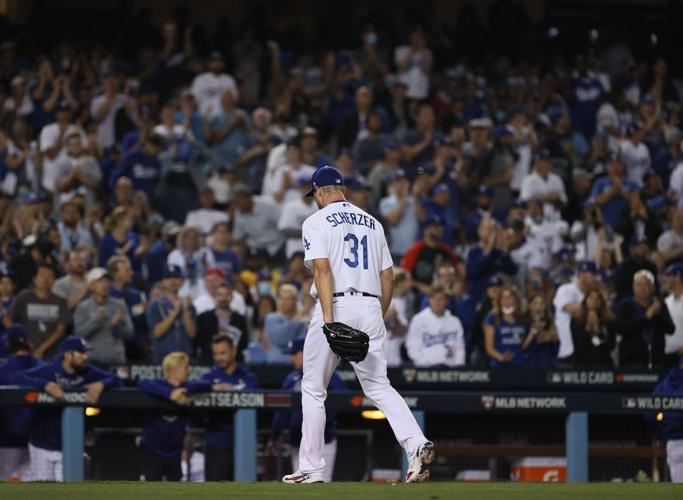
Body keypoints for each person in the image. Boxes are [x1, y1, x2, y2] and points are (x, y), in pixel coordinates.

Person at [283, 166, 433, 484]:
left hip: (334, 303)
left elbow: (322, 270)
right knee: (378, 385)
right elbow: (389, 276)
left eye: (316, 195)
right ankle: (417, 444)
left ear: (320, 192)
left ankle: (311, 468)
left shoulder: (315, 221)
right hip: (370, 306)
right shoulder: (374, 223)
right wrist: (376, 314)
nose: (316, 200)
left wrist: (328, 320)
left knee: (313, 388)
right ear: (344, 190)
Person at [12, 336, 120, 481]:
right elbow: (18, 378)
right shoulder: (50, 370)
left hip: (69, 446)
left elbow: (117, 379)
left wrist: (102, 384)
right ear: (68, 354)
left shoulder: (86, 372)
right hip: (41, 444)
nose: (85, 357)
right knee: (42, 494)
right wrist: (45, 385)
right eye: (81, 353)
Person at [267, 337, 346, 482]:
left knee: (322, 483)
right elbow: (282, 411)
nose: (292, 358)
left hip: (323, 442)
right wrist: (274, 436)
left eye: (295, 353)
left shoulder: (328, 374)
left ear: (307, 351)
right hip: (297, 441)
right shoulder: (291, 378)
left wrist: (318, 424)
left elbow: (343, 401)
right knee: (301, 486)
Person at [137, 351, 209, 481]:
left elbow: (206, 384)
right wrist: (169, 394)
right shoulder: (158, 384)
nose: (189, 371)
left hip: (175, 452)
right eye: (185, 368)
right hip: (153, 451)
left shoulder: (186, 387)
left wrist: (184, 391)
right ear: (172, 370)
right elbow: (142, 383)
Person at [197, 333, 259, 481]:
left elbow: (254, 390)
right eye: (216, 353)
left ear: (234, 351)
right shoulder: (208, 378)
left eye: (223, 353)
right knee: (214, 491)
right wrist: (212, 388)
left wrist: (230, 388)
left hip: (244, 443)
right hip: (217, 442)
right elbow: (194, 387)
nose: (219, 357)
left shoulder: (247, 376)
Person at [0, 325, 41, 481]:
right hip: (37, 442)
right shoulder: (43, 367)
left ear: (8, 345)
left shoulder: (3, 371)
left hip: (7, 440)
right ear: (29, 344)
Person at [7, 263, 69, 360]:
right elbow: (7, 319)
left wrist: (41, 349)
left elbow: (60, 330)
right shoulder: (24, 297)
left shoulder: (60, 302)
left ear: (54, 281)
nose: (46, 279)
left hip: (51, 355)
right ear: (34, 279)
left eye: (50, 276)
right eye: (42, 275)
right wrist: (22, 340)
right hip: (25, 353)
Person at [73, 267, 133, 366]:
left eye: (106, 281)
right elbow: (79, 335)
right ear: (91, 285)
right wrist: (95, 321)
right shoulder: (83, 307)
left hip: (116, 361)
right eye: (99, 281)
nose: (104, 284)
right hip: (92, 362)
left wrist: (117, 325)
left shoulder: (119, 305)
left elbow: (129, 334)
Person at [617, 269, 675, 369]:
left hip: (657, 362)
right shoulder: (625, 305)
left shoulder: (659, 305)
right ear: (633, 287)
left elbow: (670, 329)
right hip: (631, 364)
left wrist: (658, 315)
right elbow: (622, 329)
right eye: (639, 285)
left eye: (646, 285)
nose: (642, 288)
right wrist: (647, 317)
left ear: (653, 288)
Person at [146, 265, 197, 363]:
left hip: (184, 358)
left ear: (182, 280)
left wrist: (186, 311)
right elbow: (156, 333)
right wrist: (174, 313)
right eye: (168, 278)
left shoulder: (189, 305)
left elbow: (192, 334)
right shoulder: (155, 304)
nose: (173, 281)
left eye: (176, 277)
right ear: (163, 281)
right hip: (163, 358)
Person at [405, 285, 465, 367]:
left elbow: (459, 348)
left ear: (446, 301)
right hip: (426, 370)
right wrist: (427, 365)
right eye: (433, 298)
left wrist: (459, 365)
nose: (436, 302)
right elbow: (412, 348)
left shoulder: (455, 321)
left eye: (440, 298)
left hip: (450, 371)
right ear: (429, 299)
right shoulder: (418, 320)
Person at [552, 260, 599, 363]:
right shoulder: (566, 290)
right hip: (568, 352)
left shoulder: (593, 295)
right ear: (582, 274)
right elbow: (575, 311)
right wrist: (594, 306)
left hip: (589, 353)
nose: (596, 279)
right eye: (593, 274)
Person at [400, 214, 459, 297]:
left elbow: (457, 275)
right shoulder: (415, 250)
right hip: (420, 295)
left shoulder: (447, 250)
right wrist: (423, 288)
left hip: (444, 295)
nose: (440, 229)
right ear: (426, 230)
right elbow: (404, 277)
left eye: (441, 226)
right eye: (435, 226)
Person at [231, 185, 286, 266]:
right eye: (236, 202)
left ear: (249, 198)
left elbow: (282, 225)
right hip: (257, 248)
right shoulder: (239, 213)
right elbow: (238, 237)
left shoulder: (267, 207)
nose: (238, 205)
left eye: (240, 201)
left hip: (276, 245)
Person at [648, 356, 683, 483]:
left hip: (672, 442)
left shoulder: (665, 383)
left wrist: (661, 436)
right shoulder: (665, 383)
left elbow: (651, 414)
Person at [195, 283, 248, 364]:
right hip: (209, 363)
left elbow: (244, 343)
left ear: (232, 297)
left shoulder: (240, 319)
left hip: (234, 365)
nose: (224, 298)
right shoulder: (204, 318)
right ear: (214, 297)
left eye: (227, 295)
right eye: (220, 295)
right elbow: (199, 342)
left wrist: (229, 338)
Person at [570, 288, 617, 368]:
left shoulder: (608, 321)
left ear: (601, 302)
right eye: (591, 297)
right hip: (582, 365)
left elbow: (610, 346)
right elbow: (579, 346)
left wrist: (596, 330)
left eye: (597, 298)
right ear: (585, 300)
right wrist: (588, 328)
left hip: (603, 364)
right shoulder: (576, 321)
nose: (594, 301)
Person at [379, 169, 419, 259]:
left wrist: (416, 197)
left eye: (405, 181)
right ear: (393, 184)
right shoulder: (386, 202)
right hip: (394, 252)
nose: (402, 184)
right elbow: (393, 220)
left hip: (413, 252)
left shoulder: (414, 201)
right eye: (399, 181)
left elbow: (423, 218)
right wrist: (404, 198)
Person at [483, 285, 527, 367]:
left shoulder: (522, 318)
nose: (506, 301)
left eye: (509, 297)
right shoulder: (492, 318)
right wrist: (501, 357)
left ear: (515, 299)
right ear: (499, 301)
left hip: (520, 364)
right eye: (503, 298)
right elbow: (489, 348)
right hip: (500, 365)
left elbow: (524, 344)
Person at [263, 284, 307, 364]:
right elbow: (280, 338)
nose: (285, 302)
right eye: (282, 298)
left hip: (296, 363)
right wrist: (298, 322)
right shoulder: (271, 318)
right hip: (274, 362)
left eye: (288, 299)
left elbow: (302, 343)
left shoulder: (301, 321)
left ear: (295, 301)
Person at [524, 294, 560, 368]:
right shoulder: (523, 323)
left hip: (548, 364)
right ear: (529, 306)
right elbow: (521, 348)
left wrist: (554, 338)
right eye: (535, 303)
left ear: (545, 307)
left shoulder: (550, 323)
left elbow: (556, 350)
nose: (538, 307)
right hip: (530, 365)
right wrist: (532, 336)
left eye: (542, 303)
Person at [51, 247, 89, 312]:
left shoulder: (93, 281)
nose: (80, 262)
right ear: (67, 265)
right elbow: (63, 307)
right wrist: (87, 288)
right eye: (76, 259)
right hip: (69, 321)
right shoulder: (59, 284)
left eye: (82, 259)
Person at [664, 264, 683, 369]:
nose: (664, 279)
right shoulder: (666, 302)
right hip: (667, 357)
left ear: (678, 276)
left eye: (668, 276)